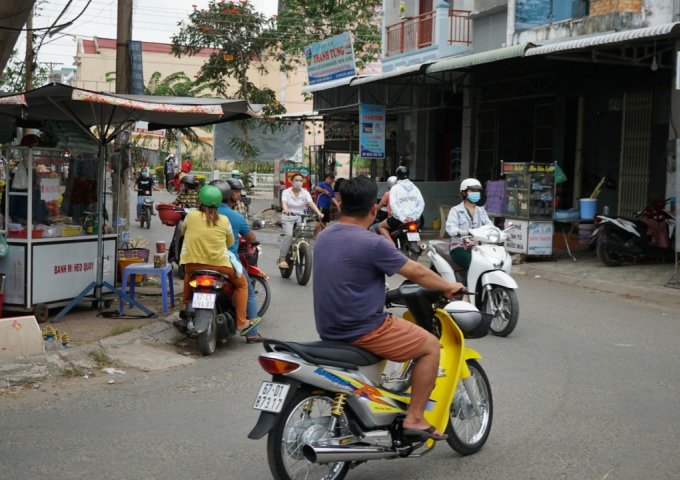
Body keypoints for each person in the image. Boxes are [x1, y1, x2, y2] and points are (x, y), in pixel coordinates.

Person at [313, 176, 464, 441]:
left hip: (329, 327)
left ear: (339, 204)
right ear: (374, 209)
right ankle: (415, 418)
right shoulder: (371, 242)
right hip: (364, 328)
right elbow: (416, 270)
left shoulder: (325, 236)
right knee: (429, 345)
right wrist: (448, 287)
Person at [179, 185, 259, 336]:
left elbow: (183, 231)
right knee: (242, 285)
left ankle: (185, 307)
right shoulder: (224, 220)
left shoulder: (191, 216)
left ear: (200, 201)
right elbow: (229, 243)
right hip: (220, 266)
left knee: (189, 277)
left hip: (192, 264)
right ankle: (242, 322)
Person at [210, 180, 264, 343]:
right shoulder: (234, 217)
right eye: (235, 191)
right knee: (245, 290)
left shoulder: (198, 214)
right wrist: (255, 242)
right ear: (228, 195)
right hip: (225, 262)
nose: (238, 193)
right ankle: (251, 331)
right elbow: (251, 237)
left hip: (198, 261)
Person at [446, 177, 492, 274]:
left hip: (478, 247)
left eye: (477, 191)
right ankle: (468, 288)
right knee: (474, 264)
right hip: (460, 247)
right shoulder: (456, 210)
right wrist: (460, 232)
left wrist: (499, 233)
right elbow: (451, 228)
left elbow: (490, 226)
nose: (476, 193)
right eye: (472, 190)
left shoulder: (481, 211)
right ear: (464, 193)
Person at [279, 173, 324, 269]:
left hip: (301, 216)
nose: (299, 182)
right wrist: (286, 210)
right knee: (289, 235)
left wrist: (318, 212)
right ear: (291, 181)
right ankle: (282, 258)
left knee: (302, 234)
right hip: (288, 216)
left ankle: (300, 249)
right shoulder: (286, 192)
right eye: (296, 180)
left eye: (300, 180)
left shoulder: (305, 192)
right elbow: (284, 203)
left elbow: (311, 203)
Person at [376, 165, 425, 243]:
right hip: (414, 219)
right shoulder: (415, 188)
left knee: (380, 226)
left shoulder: (395, 188)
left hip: (399, 219)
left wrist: (402, 218)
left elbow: (393, 205)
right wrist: (414, 216)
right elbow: (421, 204)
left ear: (397, 175)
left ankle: (392, 246)